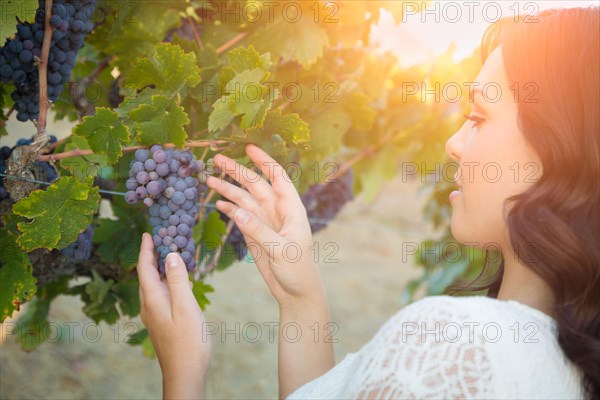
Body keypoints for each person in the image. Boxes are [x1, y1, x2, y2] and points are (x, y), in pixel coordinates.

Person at [135, 7, 599, 400]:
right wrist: (301, 300)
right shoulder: (572, 361)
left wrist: (183, 372)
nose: (455, 144)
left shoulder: (457, 344)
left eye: (478, 117)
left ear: (562, 147)